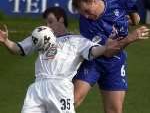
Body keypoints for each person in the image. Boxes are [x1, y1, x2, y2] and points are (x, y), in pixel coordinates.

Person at [0, 7, 149, 113]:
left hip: (60, 86)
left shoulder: (77, 40)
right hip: (37, 87)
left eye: (50, 22)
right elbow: (18, 49)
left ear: (61, 19)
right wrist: (6, 41)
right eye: (46, 23)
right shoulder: (41, 36)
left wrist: (106, 47)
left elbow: (94, 51)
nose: (47, 26)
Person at [72, 0, 143, 113]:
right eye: (82, 13)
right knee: (72, 101)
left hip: (115, 64)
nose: (86, 16)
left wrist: (133, 21)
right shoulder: (85, 24)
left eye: (87, 11)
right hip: (94, 61)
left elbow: (134, 13)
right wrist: (130, 38)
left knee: (114, 111)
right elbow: (108, 51)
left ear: (94, 1)